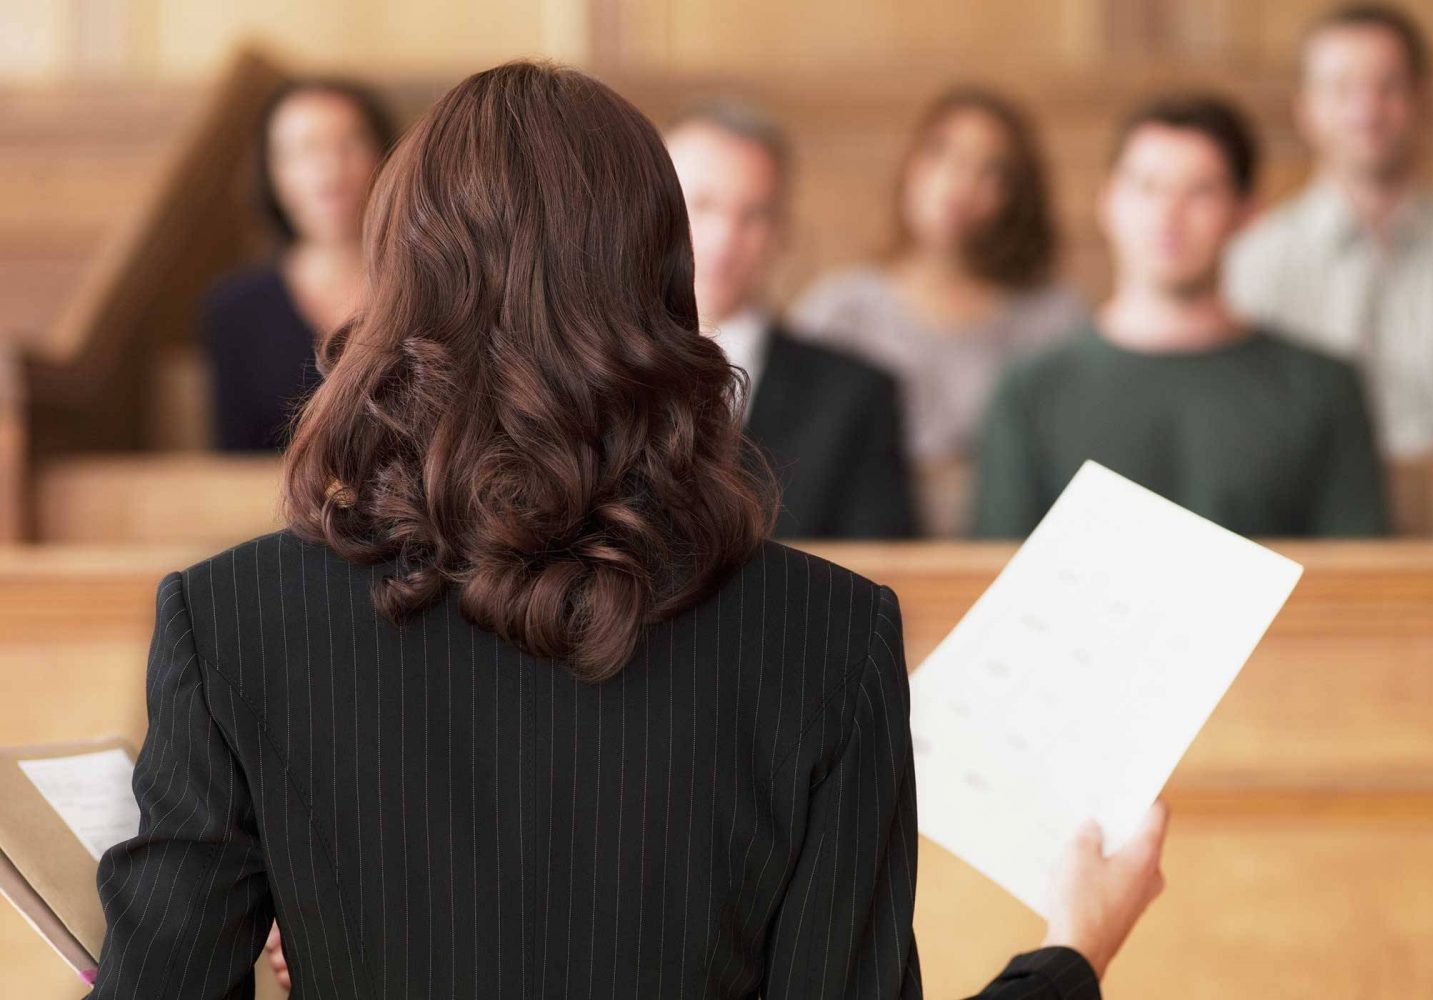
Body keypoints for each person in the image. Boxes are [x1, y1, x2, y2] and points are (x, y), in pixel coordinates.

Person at [85, 62, 1167, 999]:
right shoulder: (830, 638)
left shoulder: (227, 619)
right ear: (665, 282)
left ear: (398, 282)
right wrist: (1073, 950)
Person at [974, 94, 1388, 539]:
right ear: (1108, 201)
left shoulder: (1323, 388)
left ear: (1246, 212)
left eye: (1200, 192)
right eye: (1146, 187)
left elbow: (1358, 581)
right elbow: (991, 577)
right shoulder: (1029, 390)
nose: (1168, 215)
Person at [791, 87, 1089, 536]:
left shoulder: (1054, 318)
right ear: (910, 164)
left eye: (992, 171)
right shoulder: (839, 310)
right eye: (941, 154)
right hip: (866, 557)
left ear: (1017, 197)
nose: (959, 184)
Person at [1227, 3, 1433, 455]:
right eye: (1341, 88)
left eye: (1388, 86)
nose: (1366, 109)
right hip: (1294, 521)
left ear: (1423, 100)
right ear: (1305, 109)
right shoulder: (1250, 263)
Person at [664, 100, 916, 539]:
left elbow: (885, 570)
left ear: (783, 231)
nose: (725, 238)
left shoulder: (857, 396)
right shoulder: (592, 374)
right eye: (701, 205)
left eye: (754, 215)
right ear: (656, 214)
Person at [202, 78, 396, 451]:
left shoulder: (426, 285)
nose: (331, 171)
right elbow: (230, 461)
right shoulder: (235, 308)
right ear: (272, 174)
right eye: (306, 150)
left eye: (349, 144)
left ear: (386, 158)